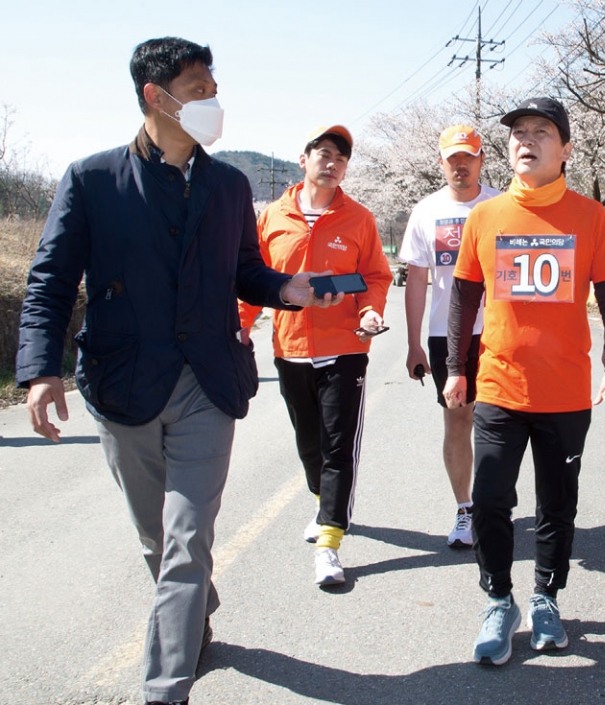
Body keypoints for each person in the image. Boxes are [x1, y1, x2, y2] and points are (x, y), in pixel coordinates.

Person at [16, 37, 333, 705]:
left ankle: (166, 689)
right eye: (199, 89)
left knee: (188, 537)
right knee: (157, 539)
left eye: (215, 88)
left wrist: (285, 289)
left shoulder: (229, 185)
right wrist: (41, 370)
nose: (213, 101)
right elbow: (49, 282)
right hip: (123, 381)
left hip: (207, 384)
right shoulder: (93, 179)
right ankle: (193, 616)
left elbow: (244, 270)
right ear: (154, 98)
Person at [443, 97, 605, 665]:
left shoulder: (590, 216)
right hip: (499, 385)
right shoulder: (486, 215)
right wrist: (456, 368)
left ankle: (547, 595)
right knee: (491, 498)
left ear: (566, 148)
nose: (527, 140)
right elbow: (463, 299)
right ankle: (499, 599)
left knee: (557, 503)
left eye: (542, 132)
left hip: (566, 391)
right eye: (518, 132)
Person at [239, 124, 392, 588]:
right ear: (303, 159)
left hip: (345, 347)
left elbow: (376, 277)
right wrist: (241, 327)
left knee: (339, 446)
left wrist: (369, 312)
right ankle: (325, 501)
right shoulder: (271, 218)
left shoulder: (359, 218)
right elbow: (250, 276)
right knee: (310, 445)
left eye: (341, 158)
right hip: (290, 349)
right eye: (324, 154)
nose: (332, 163)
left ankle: (329, 540)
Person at [398, 125, 500, 548]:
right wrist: (414, 343)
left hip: (498, 332)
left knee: (498, 422)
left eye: (469, 157)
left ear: (481, 159)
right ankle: (465, 510)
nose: (461, 165)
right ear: (441, 162)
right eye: (452, 158)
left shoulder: (502, 204)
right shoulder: (426, 211)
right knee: (457, 419)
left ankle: (493, 505)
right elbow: (418, 281)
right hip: (446, 335)